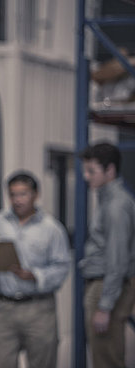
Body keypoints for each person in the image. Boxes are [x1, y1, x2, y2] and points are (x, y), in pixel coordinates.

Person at [0, 171, 70, 368]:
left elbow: (62, 266)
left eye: (23, 194)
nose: (17, 200)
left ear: (35, 194)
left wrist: (35, 276)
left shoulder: (52, 229)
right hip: (4, 307)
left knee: (43, 362)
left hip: (39, 308)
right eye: (13, 194)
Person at [79, 142, 135, 368]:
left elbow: (117, 259)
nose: (86, 176)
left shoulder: (116, 206)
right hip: (104, 285)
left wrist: (105, 306)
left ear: (110, 170)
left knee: (107, 358)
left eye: (92, 171)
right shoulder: (108, 200)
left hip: (107, 287)